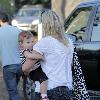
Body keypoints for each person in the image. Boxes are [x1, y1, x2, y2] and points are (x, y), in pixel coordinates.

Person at [22, 10, 74, 100]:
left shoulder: (44, 43)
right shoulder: (69, 42)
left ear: (44, 24)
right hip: (67, 90)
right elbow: (70, 65)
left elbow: (25, 68)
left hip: (49, 91)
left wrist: (30, 71)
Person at [18, 31, 49, 100]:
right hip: (32, 70)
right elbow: (30, 56)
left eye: (32, 41)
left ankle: (43, 96)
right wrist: (40, 57)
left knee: (42, 81)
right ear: (21, 44)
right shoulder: (24, 51)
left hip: (33, 68)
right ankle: (44, 97)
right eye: (28, 42)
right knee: (44, 80)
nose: (31, 44)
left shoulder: (29, 49)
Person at [0, 11, 22, 100]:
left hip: (8, 67)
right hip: (20, 66)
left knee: (13, 92)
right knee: (13, 91)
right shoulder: (18, 30)